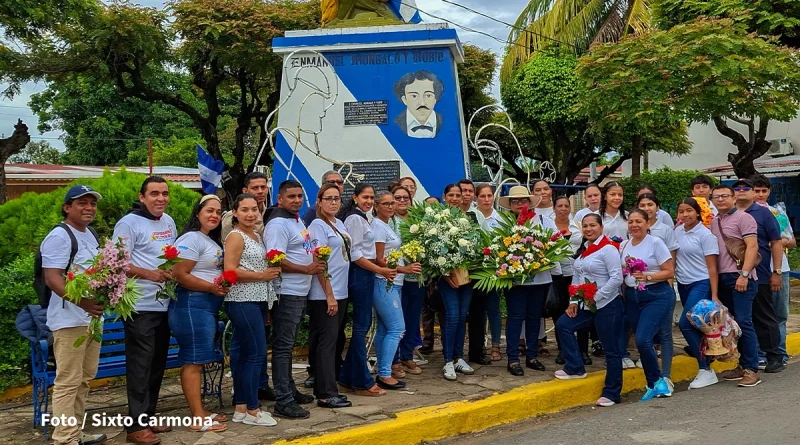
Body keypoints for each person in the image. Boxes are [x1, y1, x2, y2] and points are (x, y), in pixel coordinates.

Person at [113, 176, 177, 445]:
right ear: (142, 197)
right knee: (140, 365)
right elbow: (116, 262)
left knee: (156, 364)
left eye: (164, 193)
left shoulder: (169, 221)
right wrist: (149, 274)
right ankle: (135, 427)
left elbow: (171, 255)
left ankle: (148, 416)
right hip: (139, 305)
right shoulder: (128, 223)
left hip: (164, 303)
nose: (160, 198)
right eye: (154, 194)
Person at [41, 185, 106, 445]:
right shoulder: (60, 235)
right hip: (69, 321)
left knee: (84, 379)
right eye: (82, 203)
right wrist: (85, 303)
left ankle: (75, 432)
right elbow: (52, 278)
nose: (89, 208)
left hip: (91, 321)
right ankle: (65, 438)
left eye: (92, 203)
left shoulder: (90, 234)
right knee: (68, 381)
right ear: (67, 207)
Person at [169, 195, 229, 432]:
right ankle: (196, 418)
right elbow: (179, 274)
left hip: (206, 306)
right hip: (191, 305)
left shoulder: (208, 240)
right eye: (209, 211)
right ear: (197, 214)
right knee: (193, 361)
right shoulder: (191, 238)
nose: (214, 215)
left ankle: (201, 411)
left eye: (218, 211)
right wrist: (211, 288)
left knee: (199, 359)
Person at [265, 180, 324, 419]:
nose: (297, 200)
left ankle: (289, 388)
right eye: (291, 196)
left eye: (300, 196)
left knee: (287, 346)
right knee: (283, 347)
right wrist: (306, 269)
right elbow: (274, 259)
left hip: (300, 291)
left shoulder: (296, 220)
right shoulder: (278, 223)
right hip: (286, 291)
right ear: (280, 199)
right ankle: (283, 400)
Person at [555, 214, 625, 407]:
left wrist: (598, 295)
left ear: (601, 227)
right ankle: (575, 367)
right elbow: (577, 278)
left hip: (607, 305)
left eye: (592, 225)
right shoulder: (584, 250)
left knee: (611, 350)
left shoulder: (608, 249)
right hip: (587, 305)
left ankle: (612, 392)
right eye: (585, 226)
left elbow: (616, 278)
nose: (588, 229)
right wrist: (573, 301)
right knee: (564, 325)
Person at [224, 194, 280, 427]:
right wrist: (261, 275)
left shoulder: (256, 235)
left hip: (257, 300)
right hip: (241, 300)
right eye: (244, 210)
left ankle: (242, 407)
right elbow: (230, 270)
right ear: (235, 213)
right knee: (255, 354)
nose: (250, 214)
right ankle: (252, 410)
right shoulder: (235, 237)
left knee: (249, 354)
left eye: (254, 209)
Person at [338, 183, 395, 397]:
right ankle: (362, 381)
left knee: (363, 327)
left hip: (367, 272)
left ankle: (347, 378)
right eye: (365, 197)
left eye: (372, 198)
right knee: (361, 329)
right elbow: (355, 255)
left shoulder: (362, 217)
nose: (369, 201)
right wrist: (380, 269)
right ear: (354, 198)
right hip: (360, 274)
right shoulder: (354, 219)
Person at [499, 185, 560, 376]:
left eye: (523, 200)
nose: (519, 204)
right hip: (515, 281)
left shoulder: (543, 221)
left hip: (539, 280)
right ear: (510, 204)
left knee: (535, 318)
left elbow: (555, 245)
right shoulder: (504, 223)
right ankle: (513, 358)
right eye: (515, 201)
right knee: (515, 318)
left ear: (530, 203)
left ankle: (532, 355)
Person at [709, 185, 762, 387]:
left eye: (725, 196)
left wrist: (745, 274)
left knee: (744, 321)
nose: (720, 199)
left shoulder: (744, 218)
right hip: (723, 278)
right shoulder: (715, 222)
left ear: (733, 198)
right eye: (717, 197)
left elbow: (752, 246)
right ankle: (741, 364)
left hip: (741, 277)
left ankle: (752, 369)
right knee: (733, 324)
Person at [620, 209, 675, 401]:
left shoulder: (656, 243)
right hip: (634, 298)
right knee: (643, 344)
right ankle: (653, 384)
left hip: (656, 295)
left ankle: (659, 381)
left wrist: (648, 276)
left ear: (647, 224)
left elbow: (669, 271)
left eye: (639, 221)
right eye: (631, 222)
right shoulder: (625, 245)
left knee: (643, 339)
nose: (634, 225)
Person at [307, 184, 353, 408]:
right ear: (319, 201)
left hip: (341, 289)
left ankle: (325, 386)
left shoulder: (339, 223)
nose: (334, 202)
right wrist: (329, 295)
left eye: (337, 198)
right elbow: (319, 262)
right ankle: (326, 393)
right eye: (329, 199)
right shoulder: (317, 225)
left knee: (333, 341)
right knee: (326, 342)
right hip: (325, 293)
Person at [732, 178, 784, 373]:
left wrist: (776, 272)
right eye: (737, 188)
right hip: (733, 275)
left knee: (763, 316)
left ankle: (774, 356)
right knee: (740, 319)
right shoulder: (726, 215)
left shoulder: (763, 213)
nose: (742, 191)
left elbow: (776, 242)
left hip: (760, 274)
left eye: (747, 188)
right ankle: (745, 360)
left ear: (753, 193)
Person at [372, 191, 423, 388]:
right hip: (385, 281)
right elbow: (379, 259)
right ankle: (385, 373)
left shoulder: (387, 225)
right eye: (385, 204)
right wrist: (404, 268)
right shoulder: (378, 226)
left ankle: (384, 371)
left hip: (395, 281)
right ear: (377, 206)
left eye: (392, 203)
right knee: (397, 327)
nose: (391, 206)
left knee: (385, 329)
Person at [674, 198, 720, 389]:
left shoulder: (705, 235)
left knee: (685, 323)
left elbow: (712, 268)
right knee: (695, 326)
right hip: (683, 284)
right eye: (681, 211)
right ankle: (707, 363)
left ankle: (705, 369)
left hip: (701, 283)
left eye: (689, 211)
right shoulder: (676, 231)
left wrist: (715, 295)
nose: (685, 215)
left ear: (697, 212)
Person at [752, 174, 795, 365]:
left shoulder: (777, 213)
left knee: (779, 314)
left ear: (769, 192)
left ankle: (780, 353)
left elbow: (791, 240)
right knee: (758, 315)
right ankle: (761, 354)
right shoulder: (744, 214)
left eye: (763, 191)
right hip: (756, 270)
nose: (760, 195)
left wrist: (776, 241)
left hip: (780, 269)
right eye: (756, 191)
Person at [437, 184, 478, 380]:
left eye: (458, 195)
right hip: (448, 278)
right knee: (452, 316)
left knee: (463, 315)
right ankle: (447, 361)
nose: (455, 198)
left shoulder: (470, 218)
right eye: (451, 195)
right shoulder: (437, 219)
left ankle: (459, 357)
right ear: (444, 197)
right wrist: (446, 274)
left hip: (467, 276)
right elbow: (433, 251)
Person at [637, 193, 678, 384]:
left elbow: (671, 260)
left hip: (661, 288)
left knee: (664, 333)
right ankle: (652, 368)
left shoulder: (664, 230)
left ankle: (667, 375)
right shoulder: (633, 234)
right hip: (639, 292)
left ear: (657, 207)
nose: (646, 208)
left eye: (650, 204)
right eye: (642, 205)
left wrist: (666, 282)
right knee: (647, 333)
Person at [551, 196, 591, 366]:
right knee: (559, 312)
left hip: (578, 275)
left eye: (566, 206)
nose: (563, 209)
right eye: (559, 206)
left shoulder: (578, 226)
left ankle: (583, 350)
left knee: (581, 310)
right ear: (554, 208)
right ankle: (563, 349)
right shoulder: (548, 227)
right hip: (558, 275)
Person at [391, 186, 427, 374]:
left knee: (412, 320)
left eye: (406, 197)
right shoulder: (389, 222)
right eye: (398, 197)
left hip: (415, 277)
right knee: (397, 321)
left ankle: (407, 356)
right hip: (395, 278)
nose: (402, 200)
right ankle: (394, 359)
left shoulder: (418, 221)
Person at [471, 183, 503, 362]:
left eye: (489, 196)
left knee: (494, 309)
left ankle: (496, 346)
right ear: (477, 198)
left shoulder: (500, 219)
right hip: (475, 271)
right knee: (477, 311)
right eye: (482, 196)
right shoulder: (470, 216)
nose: (486, 199)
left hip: (493, 271)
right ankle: (478, 346)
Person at [393, 70, 444, 138]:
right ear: (404, 100)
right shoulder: (396, 123)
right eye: (414, 96)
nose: (422, 103)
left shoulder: (445, 122)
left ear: (435, 98)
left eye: (428, 95)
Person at [221, 172, 270, 240]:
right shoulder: (233, 216)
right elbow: (226, 243)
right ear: (245, 191)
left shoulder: (270, 213)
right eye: (255, 188)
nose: (260, 191)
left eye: (263, 187)